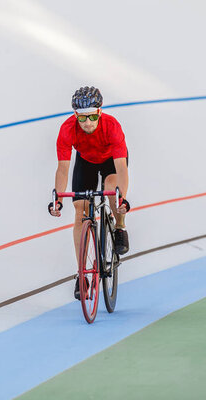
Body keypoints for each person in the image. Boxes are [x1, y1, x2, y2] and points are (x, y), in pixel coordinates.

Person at [48, 86, 131, 300]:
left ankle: (120, 226)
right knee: (80, 211)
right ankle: (81, 273)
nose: (87, 122)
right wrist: (58, 199)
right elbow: (63, 169)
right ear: (75, 115)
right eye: (82, 117)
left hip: (111, 161)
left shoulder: (112, 126)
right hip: (86, 161)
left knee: (111, 189)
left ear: (100, 112)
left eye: (92, 116)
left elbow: (121, 168)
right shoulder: (67, 129)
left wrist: (122, 199)